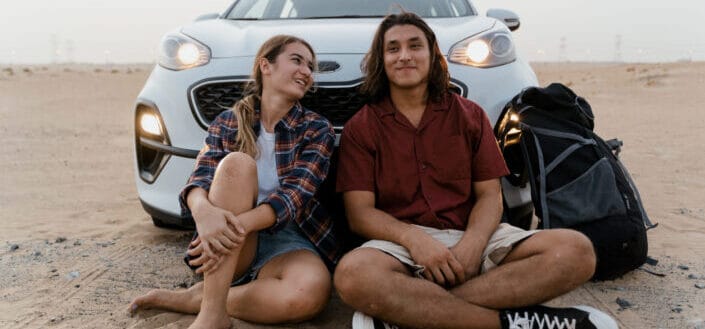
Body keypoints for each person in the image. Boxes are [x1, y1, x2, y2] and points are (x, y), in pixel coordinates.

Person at [333, 12, 618, 329]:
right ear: (382, 61)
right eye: (393, 48)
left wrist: (471, 245)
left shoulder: (470, 115)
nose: (404, 56)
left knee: (576, 252)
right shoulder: (362, 126)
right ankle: (515, 323)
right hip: (399, 246)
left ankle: (408, 313)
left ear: (432, 55)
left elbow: (489, 196)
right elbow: (360, 214)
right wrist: (415, 240)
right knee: (353, 275)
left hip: (474, 233)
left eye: (415, 46)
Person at [129, 35, 342, 329]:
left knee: (309, 294)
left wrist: (233, 228)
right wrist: (204, 215)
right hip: (229, 236)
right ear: (265, 66)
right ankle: (213, 314)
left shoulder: (317, 128)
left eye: (310, 66)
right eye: (296, 60)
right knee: (236, 165)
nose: (307, 71)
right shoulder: (228, 121)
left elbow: (295, 195)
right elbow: (200, 177)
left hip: (290, 235)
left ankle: (201, 299)